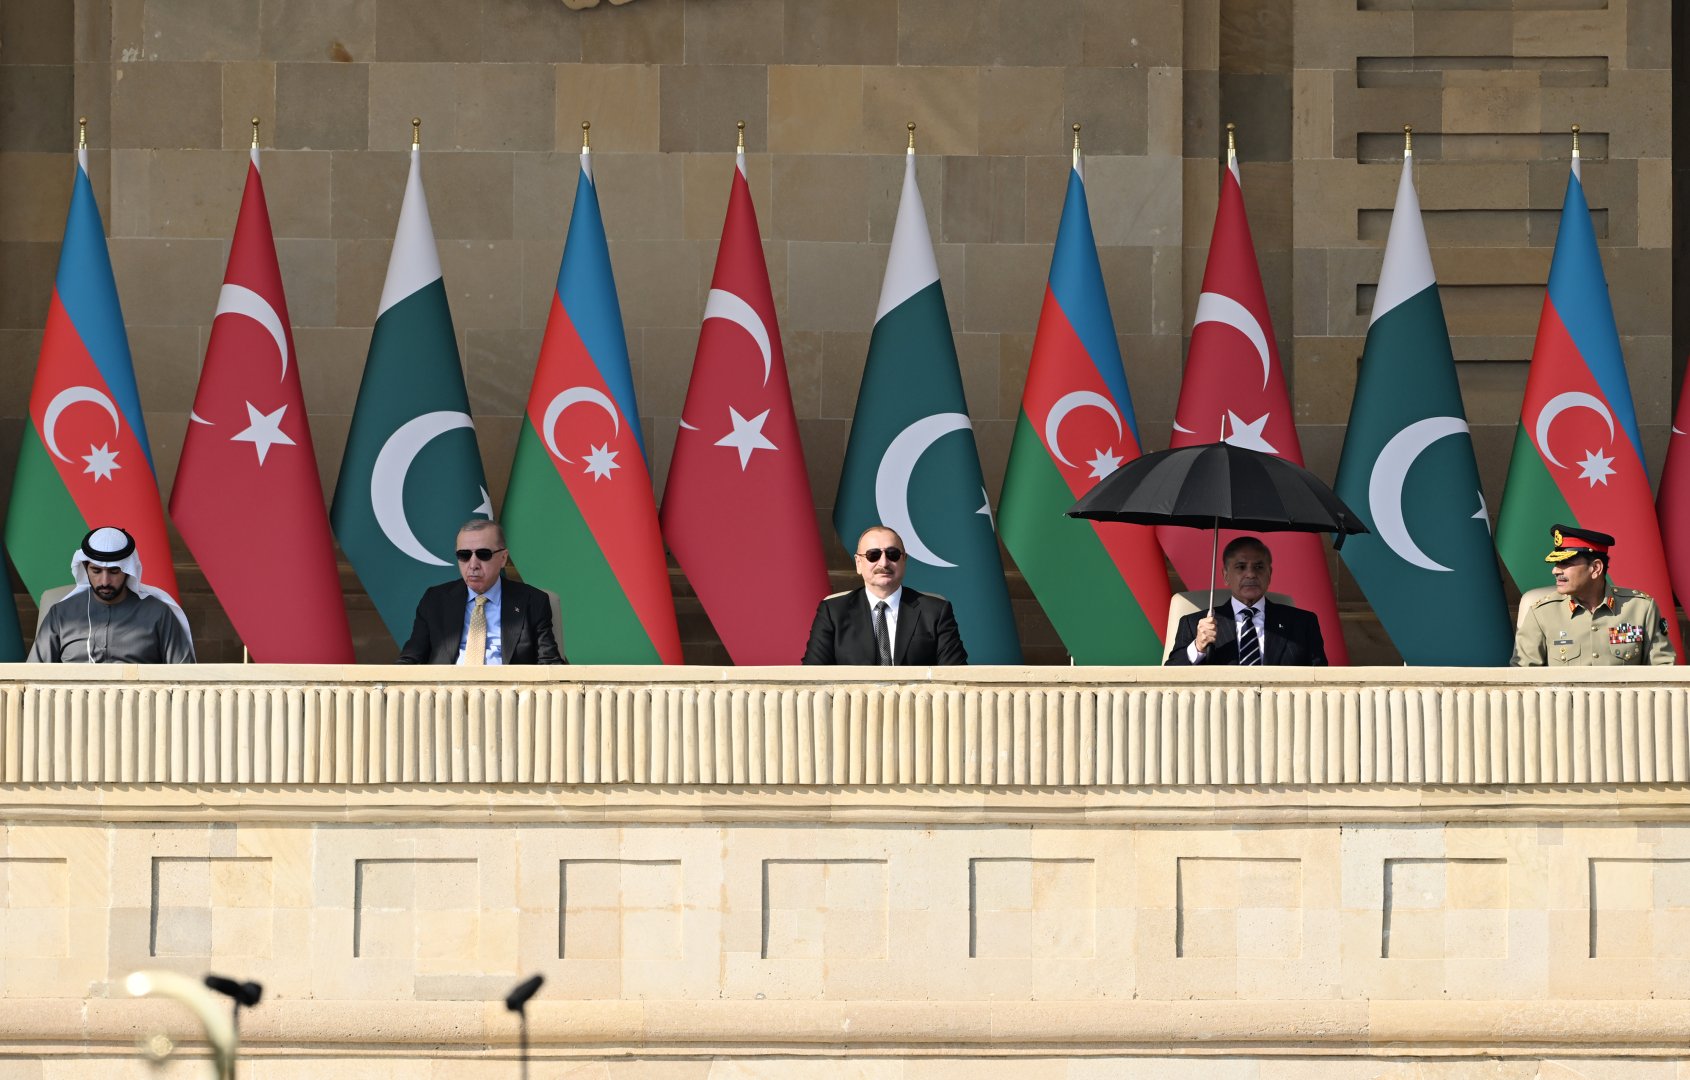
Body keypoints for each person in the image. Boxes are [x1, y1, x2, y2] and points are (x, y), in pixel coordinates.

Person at [398, 520, 565, 665]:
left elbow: (549, 664)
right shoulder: (435, 600)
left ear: (503, 558)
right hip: (447, 695)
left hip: (509, 696)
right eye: (464, 555)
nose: (473, 564)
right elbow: (411, 659)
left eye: (483, 554)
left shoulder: (532, 601)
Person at [802, 525, 968, 665]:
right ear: (859, 563)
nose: (883, 563)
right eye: (873, 555)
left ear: (904, 560)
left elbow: (954, 677)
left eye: (893, 554)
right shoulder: (833, 612)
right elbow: (813, 676)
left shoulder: (935, 612)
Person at [1512, 524, 1675, 666]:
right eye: (1556, 564)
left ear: (1596, 568)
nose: (1555, 570)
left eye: (1566, 563)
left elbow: (1663, 672)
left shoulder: (1641, 609)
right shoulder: (1542, 614)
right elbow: (1523, 681)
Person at [29, 526, 195, 664]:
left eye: (114, 571)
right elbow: (32, 678)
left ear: (128, 570)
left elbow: (185, 680)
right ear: (86, 568)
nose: (105, 581)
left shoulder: (158, 614)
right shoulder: (61, 614)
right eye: (96, 571)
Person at [1164, 535, 1326, 666]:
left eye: (1258, 567)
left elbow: (1320, 682)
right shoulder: (1195, 624)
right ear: (1226, 575)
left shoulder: (1302, 623)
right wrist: (1198, 646)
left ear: (1270, 573)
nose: (1250, 574)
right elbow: (1169, 678)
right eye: (1241, 567)